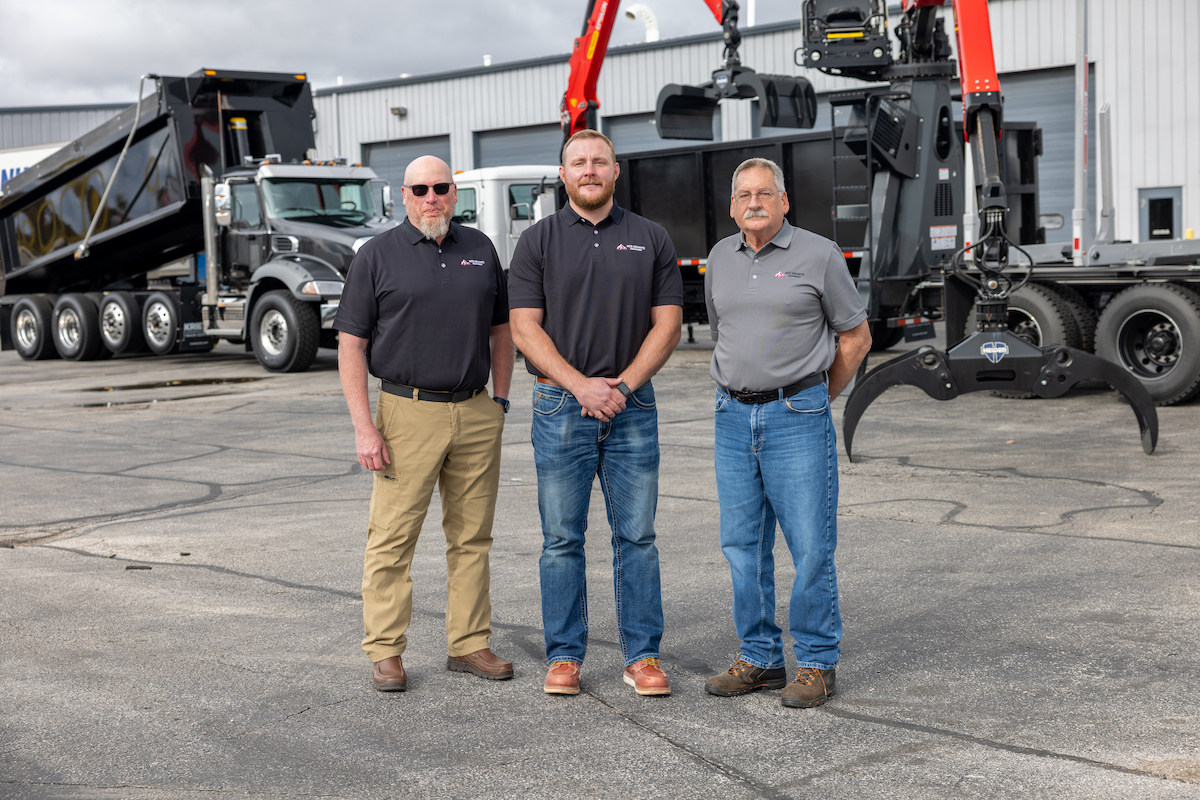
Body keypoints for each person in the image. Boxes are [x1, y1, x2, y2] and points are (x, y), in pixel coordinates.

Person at [509, 130, 683, 697]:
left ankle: (643, 656)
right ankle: (564, 656)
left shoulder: (650, 237)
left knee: (637, 536)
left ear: (616, 171)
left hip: (633, 405)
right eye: (578, 162)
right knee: (561, 538)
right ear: (563, 175)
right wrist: (582, 386)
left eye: (599, 161)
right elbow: (524, 328)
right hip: (560, 403)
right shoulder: (536, 242)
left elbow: (668, 325)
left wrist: (623, 386)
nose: (589, 170)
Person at [334, 155, 514, 692]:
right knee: (392, 538)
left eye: (440, 188)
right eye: (420, 189)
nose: (431, 197)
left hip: (476, 410)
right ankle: (386, 651)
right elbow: (352, 345)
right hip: (405, 413)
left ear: (454, 193)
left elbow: (501, 332)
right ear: (403, 196)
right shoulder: (376, 256)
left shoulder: (480, 249)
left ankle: (469, 643)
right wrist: (365, 427)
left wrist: (499, 401)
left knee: (472, 537)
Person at [702, 157, 872, 708]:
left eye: (764, 193)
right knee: (742, 548)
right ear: (733, 206)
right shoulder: (720, 258)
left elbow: (856, 338)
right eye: (743, 194)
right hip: (732, 419)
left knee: (810, 546)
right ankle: (760, 658)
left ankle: (818, 664)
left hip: (795, 418)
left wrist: (817, 398)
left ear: (784, 201)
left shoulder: (819, 254)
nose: (754, 202)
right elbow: (722, 329)